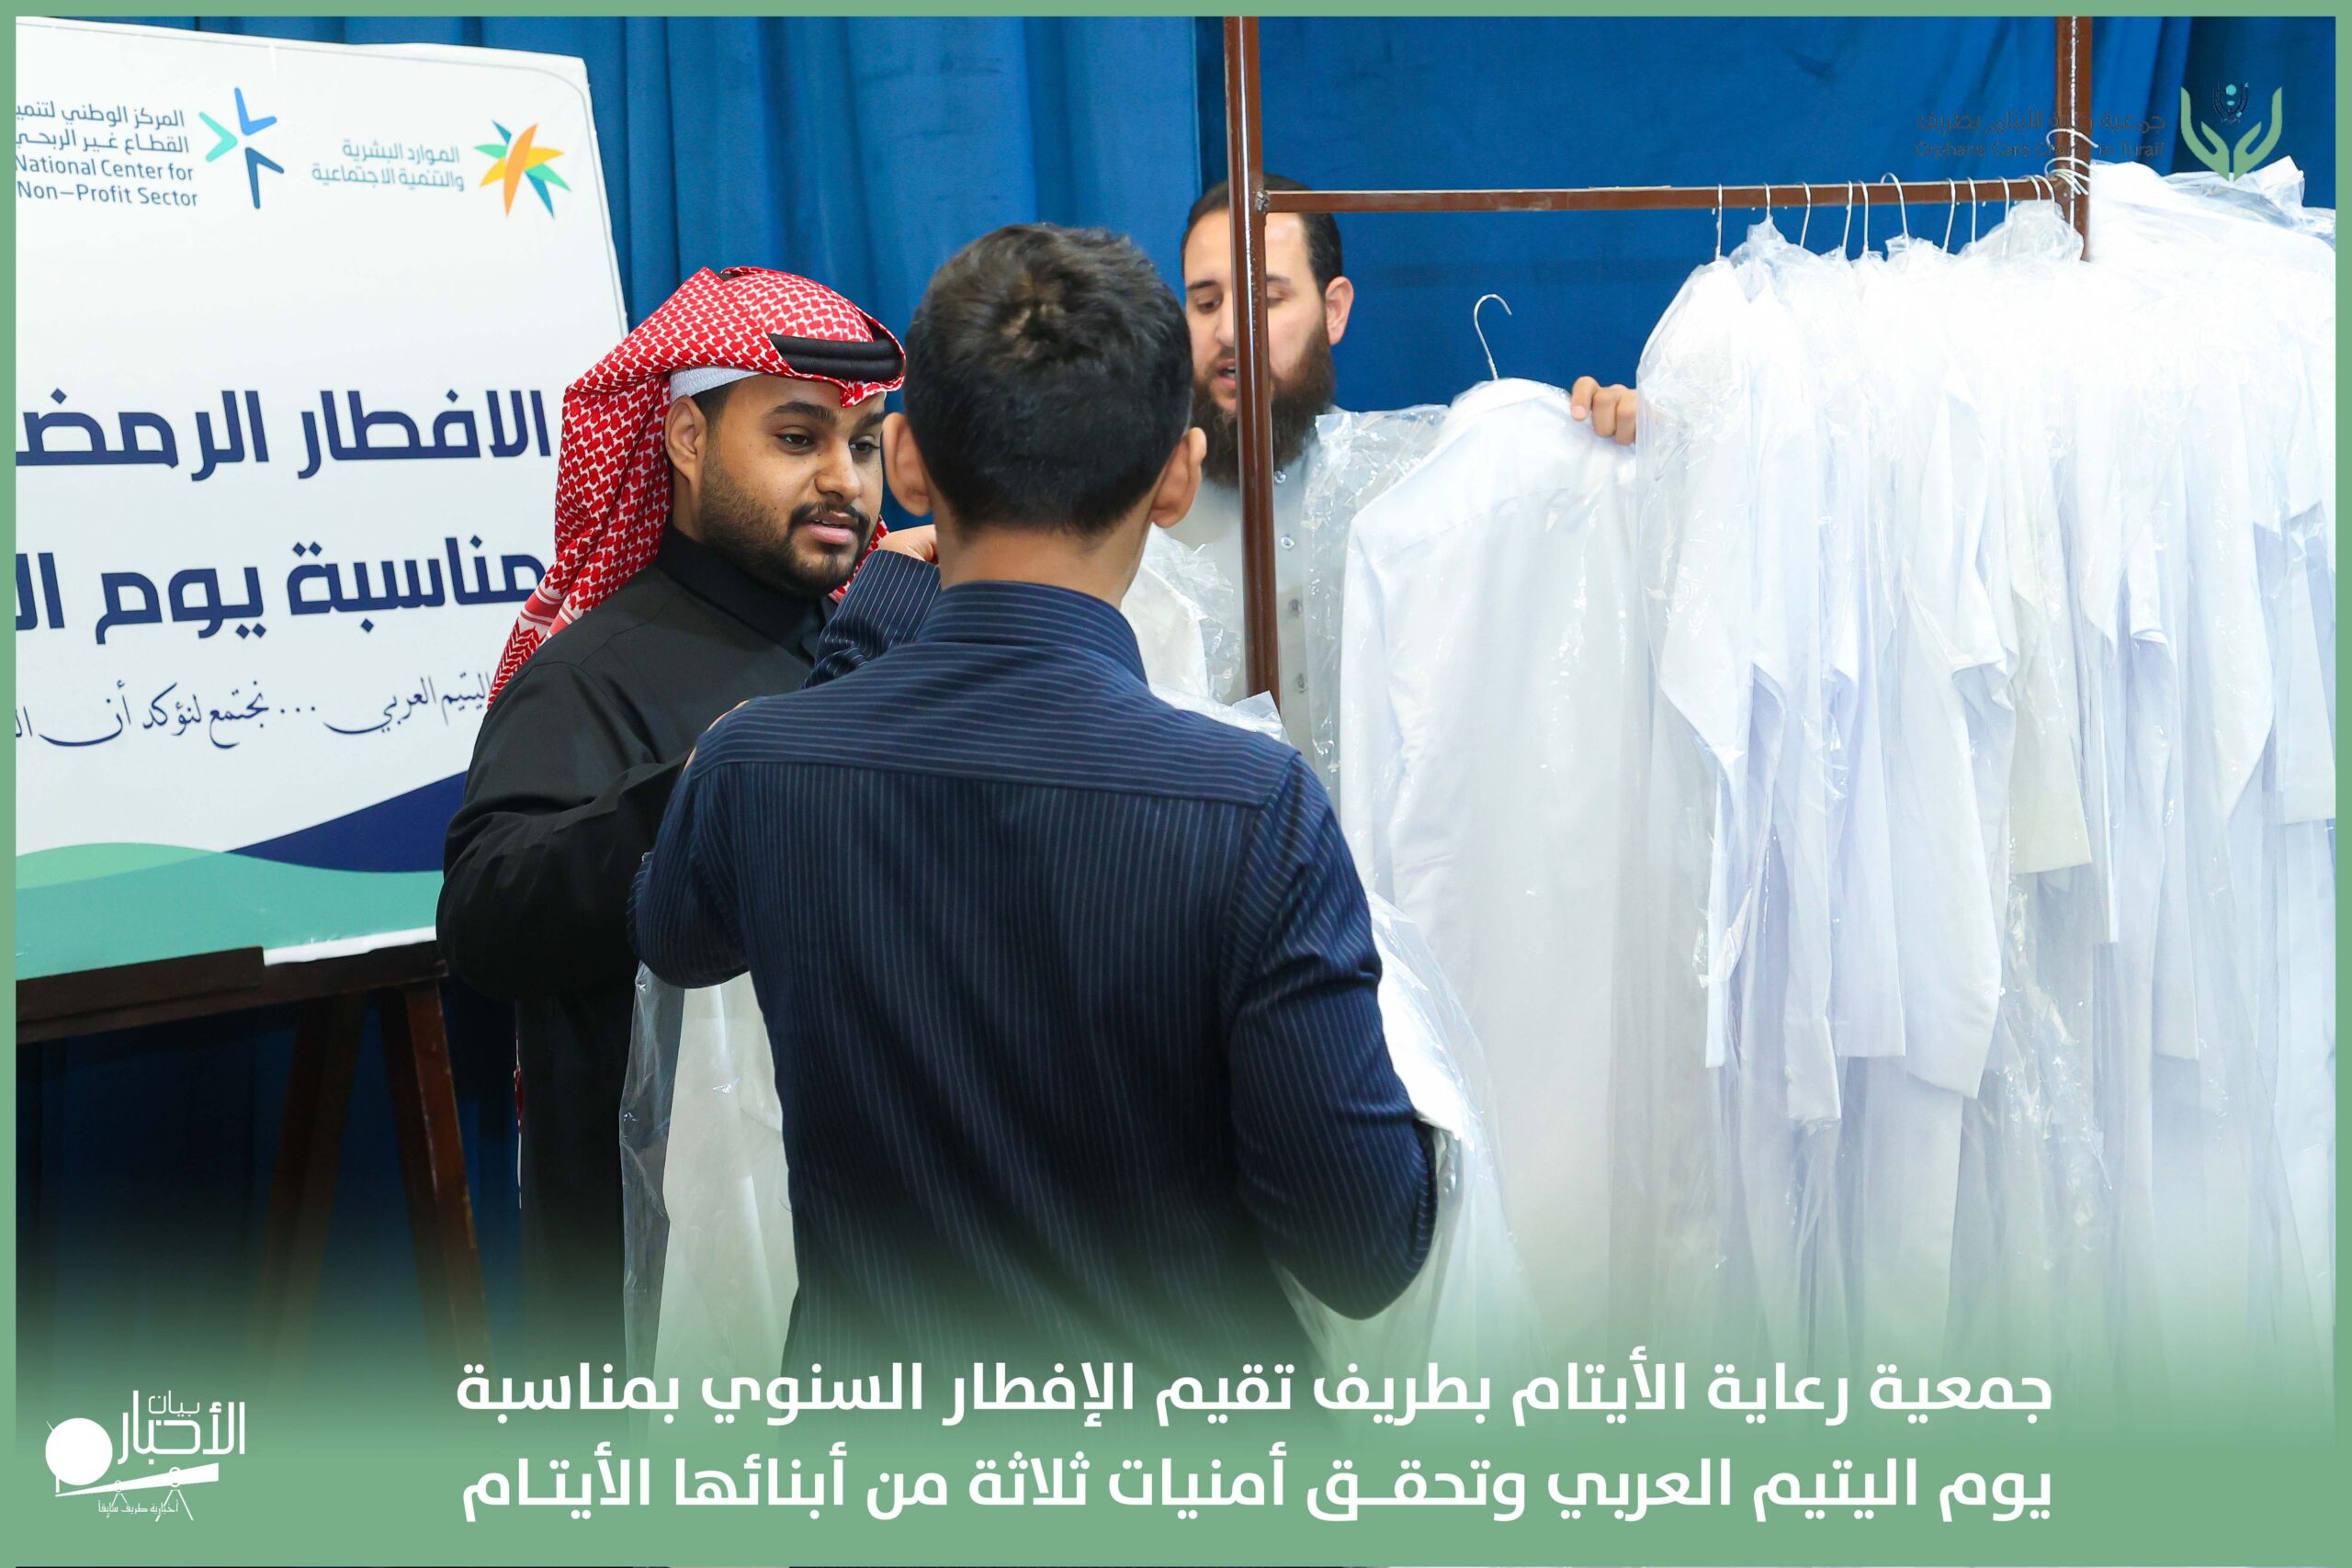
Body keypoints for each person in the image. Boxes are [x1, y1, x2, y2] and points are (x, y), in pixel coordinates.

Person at [630, 224, 1437, 1376]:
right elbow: (1363, 1252)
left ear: (905, 462)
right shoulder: (1252, 809)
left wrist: (872, 624)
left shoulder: (755, 768)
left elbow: (671, 932)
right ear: (1175, 478)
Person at [438, 265, 927, 1368]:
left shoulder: (867, 644)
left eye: (861, 445)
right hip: (653, 1280)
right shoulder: (590, 674)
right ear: (687, 440)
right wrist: (709, 781)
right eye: (797, 438)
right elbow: (484, 920)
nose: (843, 481)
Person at [1170, 175, 1638, 741]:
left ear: (1333, 310)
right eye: (1206, 303)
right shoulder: (1140, 515)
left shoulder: (1415, 482)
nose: (1228, 330)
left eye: (1266, 299)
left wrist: (1615, 452)